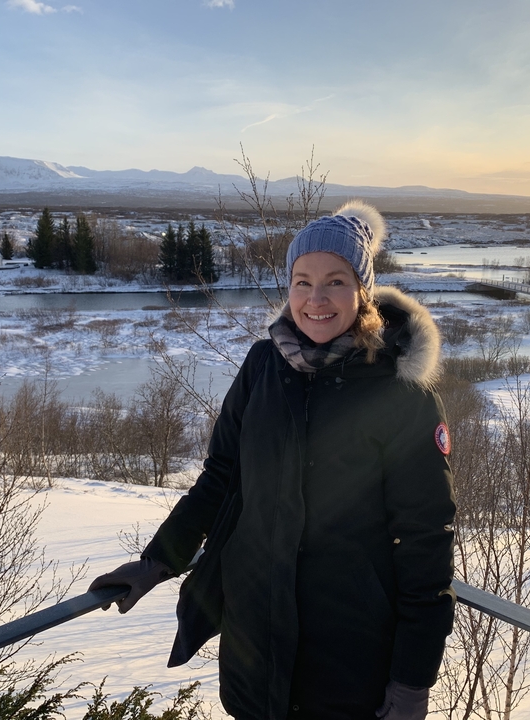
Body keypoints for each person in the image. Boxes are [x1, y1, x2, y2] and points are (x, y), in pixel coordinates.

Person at [89, 202, 456, 720]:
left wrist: (412, 681)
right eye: (302, 282)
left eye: (335, 281)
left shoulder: (400, 395)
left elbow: (426, 541)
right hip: (254, 647)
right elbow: (219, 479)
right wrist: (157, 561)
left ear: (364, 290)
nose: (315, 299)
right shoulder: (264, 366)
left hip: (350, 660)